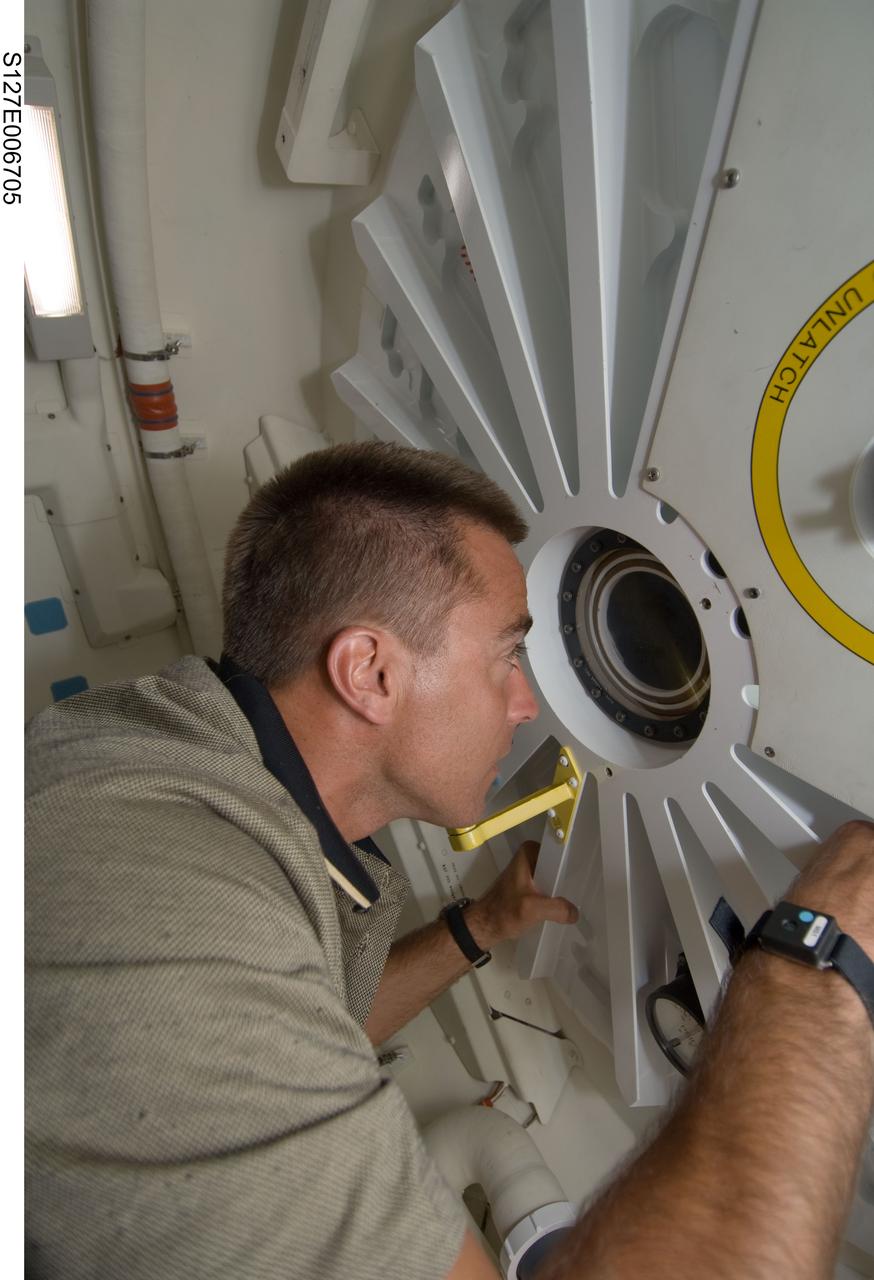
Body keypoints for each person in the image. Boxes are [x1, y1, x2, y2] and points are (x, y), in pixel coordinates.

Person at [25, 442, 874, 1280]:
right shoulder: (162, 905)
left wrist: (479, 928)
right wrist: (813, 969)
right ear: (370, 672)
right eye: (506, 655)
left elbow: (303, 1027)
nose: (526, 702)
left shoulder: (186, 777)